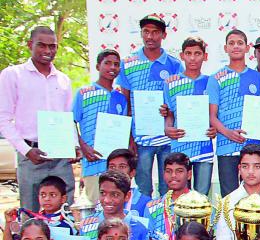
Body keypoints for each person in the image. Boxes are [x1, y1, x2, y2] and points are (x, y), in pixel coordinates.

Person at [0, 26, 75, 211]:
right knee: (31, 215)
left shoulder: (63, 80)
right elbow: (3, 119)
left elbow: (67, 118)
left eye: (53, 46)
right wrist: (26, 151)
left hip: (61, 157)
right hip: (31, 155)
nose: (48, 51)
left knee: (65, 214)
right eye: (42, 45)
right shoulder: (13, 75)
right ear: (30, 45)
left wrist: (74, 145)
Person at [117, 14, 183, 197]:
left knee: (169, 188)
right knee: (143, 189)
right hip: (141, 139)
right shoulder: (128, 64)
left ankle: (167, 224)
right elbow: (125, 102)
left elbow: (180, 100)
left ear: (164, 35)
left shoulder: (175, 65)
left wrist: (170, 110)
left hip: (168, 139)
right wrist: (129, 137)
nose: (150, 36)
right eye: (146, 31)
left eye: (155, 32)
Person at [208, 30, 260, 197]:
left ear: (247, 48)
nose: (236, 46)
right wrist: (228, 133)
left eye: (240, 43)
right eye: (232, 43)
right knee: (229, 196)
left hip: (252, 147)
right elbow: (212, 115)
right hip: (226, 147)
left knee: (254, 195)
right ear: (225, 48)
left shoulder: (257, 77)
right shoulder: (216, 78)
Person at [163, 36, 216, 196]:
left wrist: (215, 129)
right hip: (180, 146)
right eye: (188, 53)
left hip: (203, 147)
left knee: (201, 197)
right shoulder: (170, 83)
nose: (192, 58)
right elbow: (169, 114)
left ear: (205, 56)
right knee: (178, 196)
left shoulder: (211, 82)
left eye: (197, 53)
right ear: (182, 56)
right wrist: (167, 128)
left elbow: (215, 115)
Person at [74, 49, 128, 201]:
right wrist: (83, 147)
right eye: (108, 63)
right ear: (98, 66)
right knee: (95, 207)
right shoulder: (84, 93)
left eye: (116, 65)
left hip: (116, 167)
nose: (112, 67)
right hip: (93, 162)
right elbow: (71, 122)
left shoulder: (120, 98)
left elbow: (123, 128)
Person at [79, 170, 150, 240]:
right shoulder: (87, 225)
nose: (107, 200)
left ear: (127, 196)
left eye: (115, 194)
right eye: (103, 193)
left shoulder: (139, 229)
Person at [2, 176, 78, 240]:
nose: (47, 199)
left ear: (63, 199)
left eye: (53, 195)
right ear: (38, 197)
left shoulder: (71, 222)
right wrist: (8, 222)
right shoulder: (33, 223)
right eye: (43, 195)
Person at [144, 152, 193, 240]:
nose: (173, 176)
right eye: (169, 171)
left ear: (189, 174)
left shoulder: (202, 204)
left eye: (179, 171)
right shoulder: (152, 207)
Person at [106, 149, 151, 217]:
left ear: (132, 173)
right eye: (112, 167)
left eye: (122, 167)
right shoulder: (102, 201)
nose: (116, 171)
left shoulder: (146, 203)